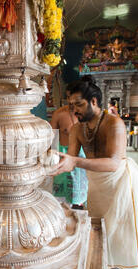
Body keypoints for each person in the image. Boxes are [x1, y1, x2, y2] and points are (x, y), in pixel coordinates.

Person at [50, 75, 138, 269]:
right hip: (97, 185)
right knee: (99, 235)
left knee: (134, 235)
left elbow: (114, 162)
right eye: (71, 105)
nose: (74, 110)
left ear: (94, 102)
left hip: (123, 182)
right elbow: (70, 158)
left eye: (79, 104)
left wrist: (75, 162)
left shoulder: (113, 123)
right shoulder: (78, 129)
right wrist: (55, 164)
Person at [50, 81, 88, 210]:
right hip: (62, 154)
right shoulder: (59, 114)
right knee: (60, 199)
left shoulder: (86, 115)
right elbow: (52, 140)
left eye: (75, 100)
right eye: (68, 98)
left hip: (81, 155)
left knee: (79, 195)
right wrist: (52, 160)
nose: (70, 103)